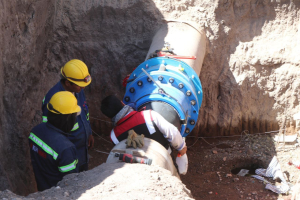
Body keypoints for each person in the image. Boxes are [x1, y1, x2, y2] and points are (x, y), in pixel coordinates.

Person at [100, 95, 188, 174]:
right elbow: (172, 132)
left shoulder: (114, 136)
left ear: (109, 117)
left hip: (134, 168)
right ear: (122, 103)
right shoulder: (149, 115)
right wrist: (181, 147)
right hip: (164, 159)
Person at [41, 59, 94, 172]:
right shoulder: (53, 99)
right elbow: (50, 131)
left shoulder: (78, 89)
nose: (83, 88)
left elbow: (84, 111)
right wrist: (66, 152)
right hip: (69, 152)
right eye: (80, 85)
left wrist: (88, 133)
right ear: (67, 83)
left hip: (82, 147)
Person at [29, 91, 80, 191]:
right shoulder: (65, 149)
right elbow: (72, 183)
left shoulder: (34, 132)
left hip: (42, 189)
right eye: (75, 116)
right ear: (68, 118)